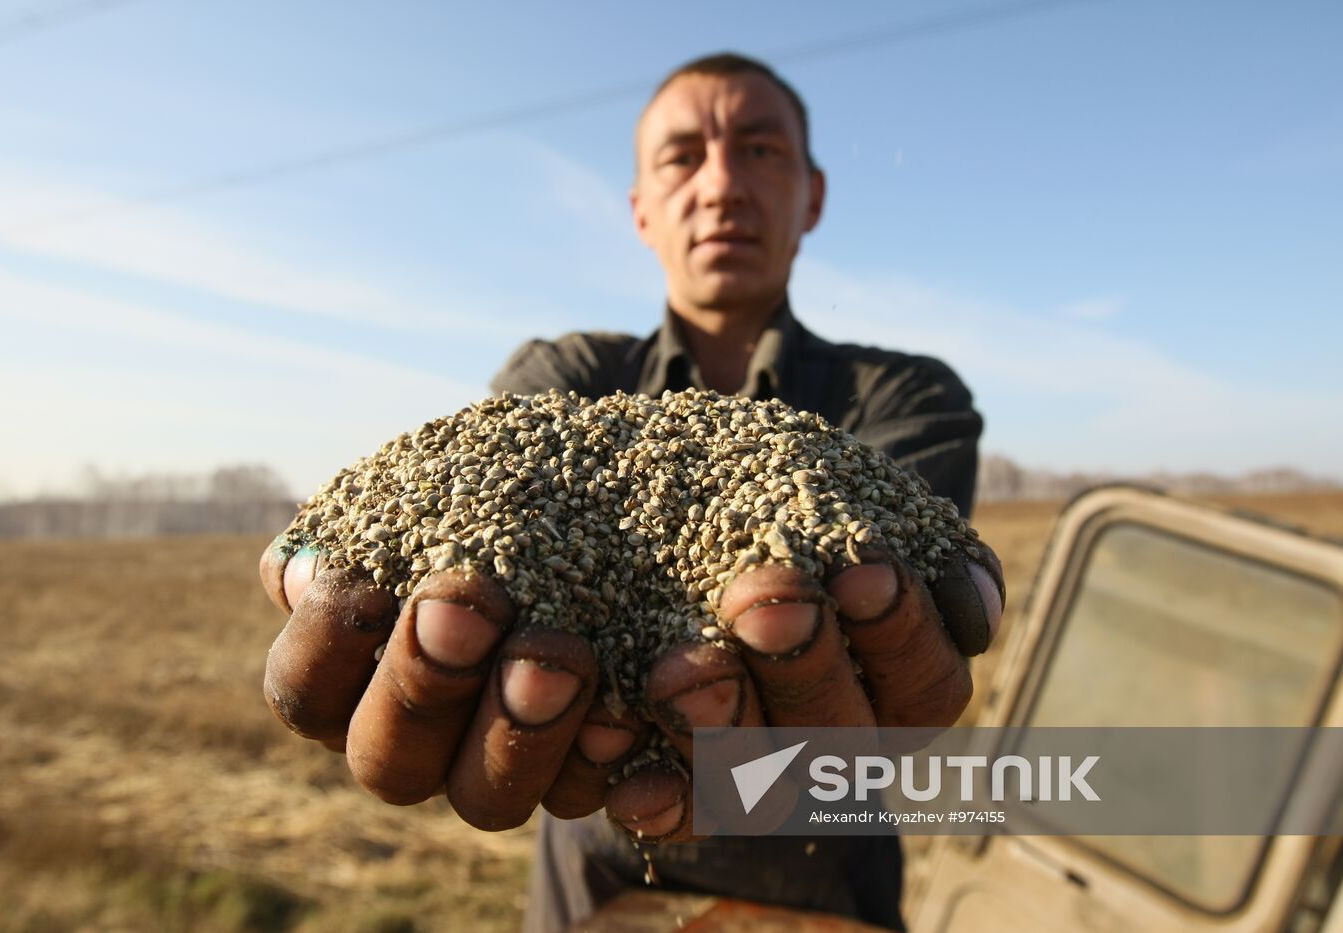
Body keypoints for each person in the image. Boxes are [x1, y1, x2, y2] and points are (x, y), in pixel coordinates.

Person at [258, 53, 1004, 933]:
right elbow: (481, 524)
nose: (722, 184)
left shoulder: (905, 396)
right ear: (642, 208)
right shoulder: (564, 374)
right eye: (683, 155)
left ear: (812, 197)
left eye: (761, 150)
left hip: (827, 878)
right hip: (595, 880)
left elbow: (888, 613)